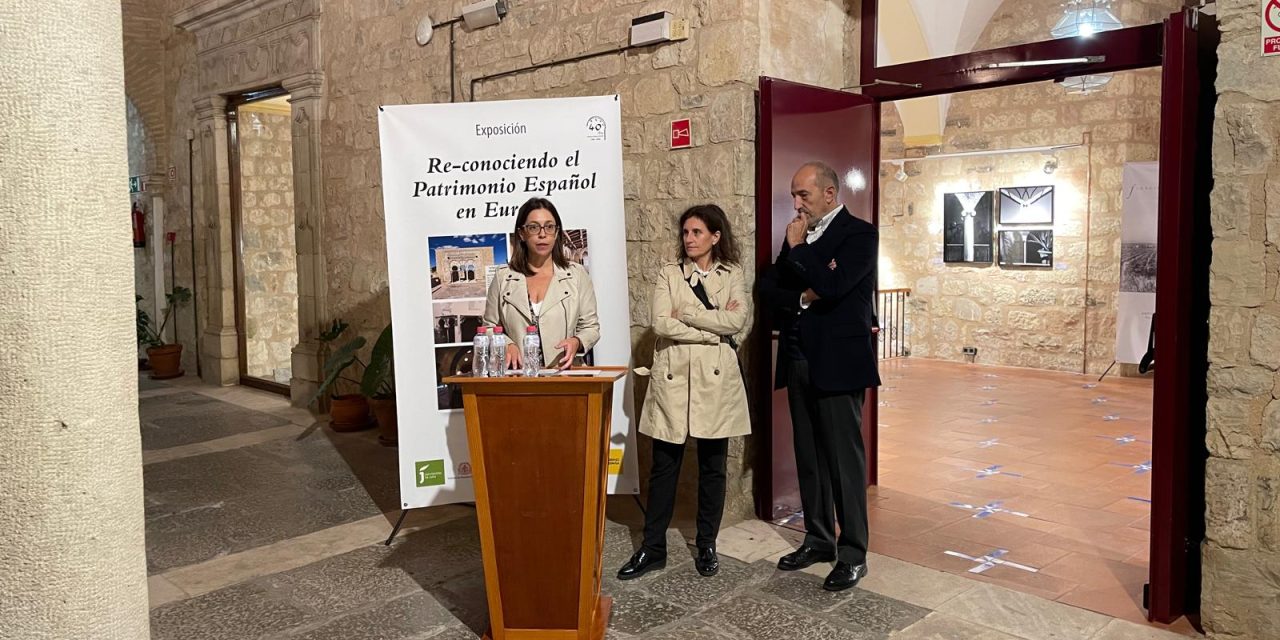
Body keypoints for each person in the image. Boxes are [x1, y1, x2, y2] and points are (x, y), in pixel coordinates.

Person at [760, 161, 880, 592]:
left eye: (803, 195)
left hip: (838, 363)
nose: (796, 204)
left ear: (829, 194)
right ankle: (818, 538)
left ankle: (853, 553)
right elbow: (770, 290)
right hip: (796, 359)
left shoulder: (859, 235)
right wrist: (804, 294)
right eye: (794, 195)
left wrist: (802, 256)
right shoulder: (797, 235)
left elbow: (835, 285)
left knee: (844, 462)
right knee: (808, 457)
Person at [617, 204, 750, 581]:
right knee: (664, 467)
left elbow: (737, 320)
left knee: (713, 467)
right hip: (674, 378)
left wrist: (687, 316)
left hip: (715, 380)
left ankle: (707, 543)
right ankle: (652, 548)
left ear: (715, 236)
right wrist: (712, 329)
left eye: (697, 232)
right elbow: (661, 322)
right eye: (685, 233)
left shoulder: (732, 275)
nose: (689, 239)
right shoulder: (669, 274)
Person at [483, 197, 600, 371]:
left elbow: (590, 328)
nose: (542, 234)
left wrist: (577, 342)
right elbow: (488, 328)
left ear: (557, 232)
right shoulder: (503, 278)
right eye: (533, 227)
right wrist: (507, 344)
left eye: (549, 227)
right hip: (517, 378)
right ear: (522, 233)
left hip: (565, 376)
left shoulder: (577, 275)